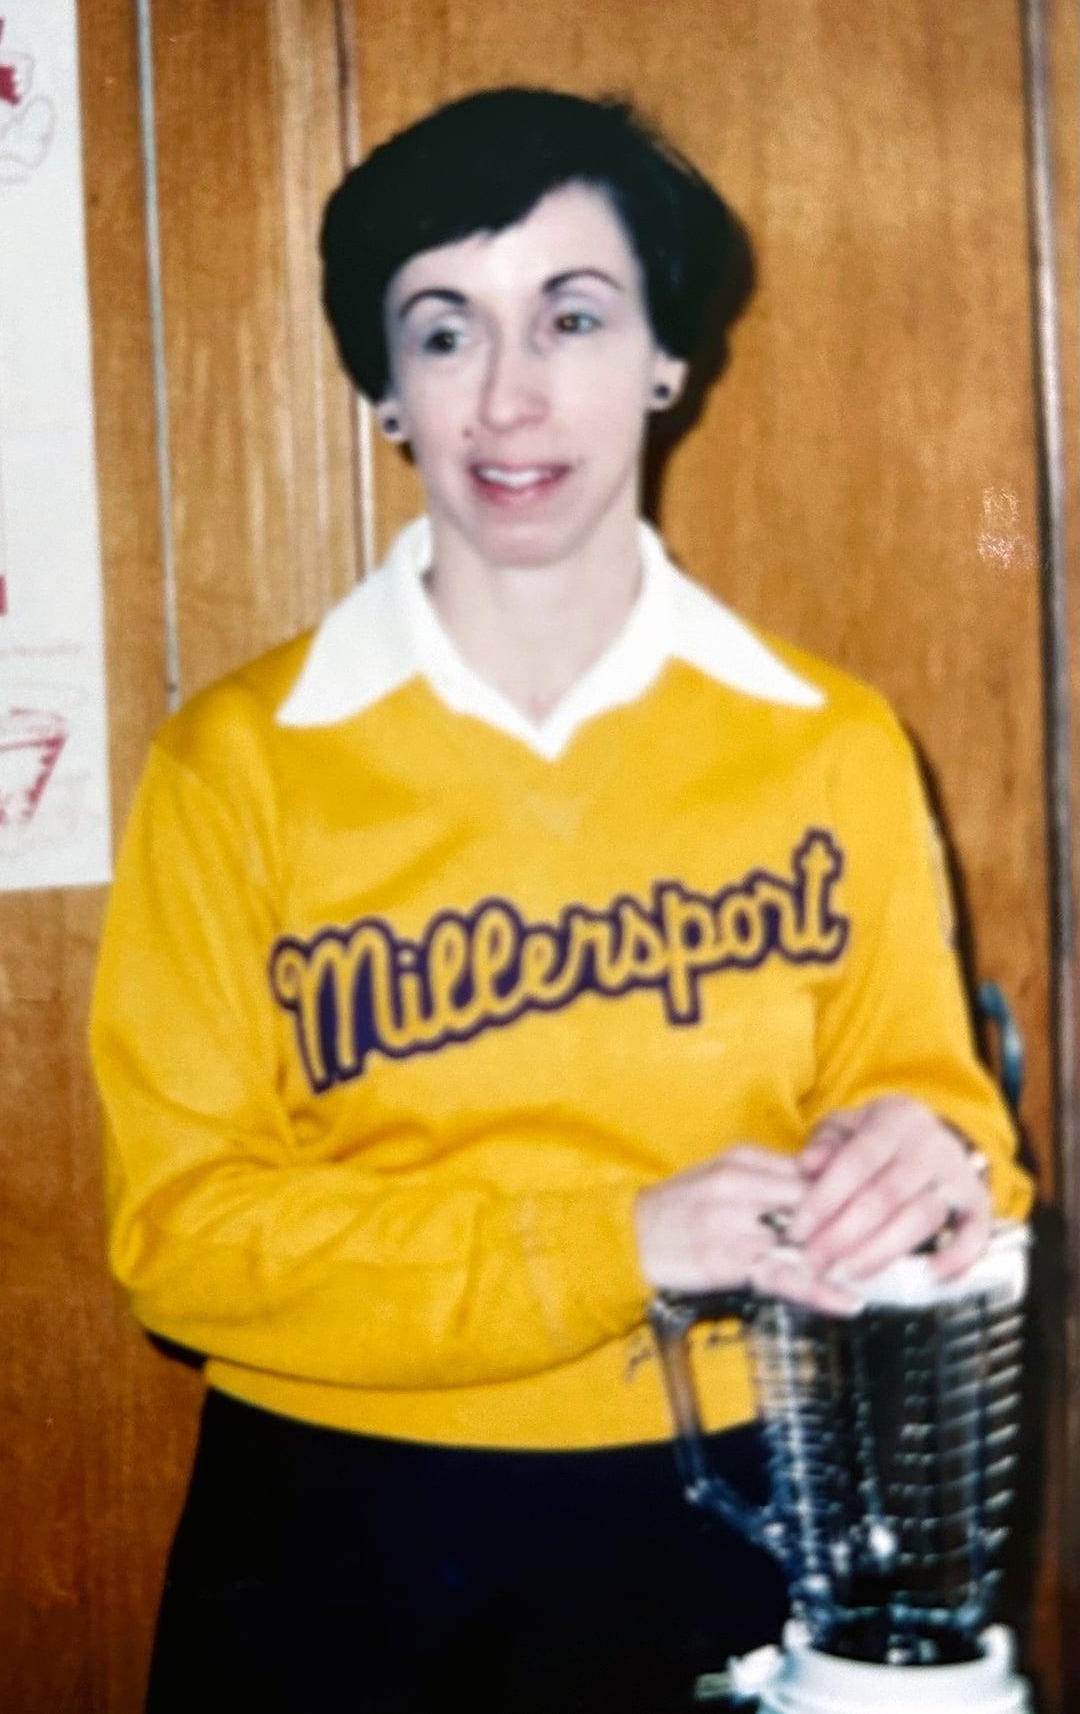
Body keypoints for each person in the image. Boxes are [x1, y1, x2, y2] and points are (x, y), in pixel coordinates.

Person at [89, 88, 1031, 1713]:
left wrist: (932, 1163)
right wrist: (617, 1246)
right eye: (445, 333)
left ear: (666, 358)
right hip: (339, 1528)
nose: (513, 398)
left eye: (573, 319)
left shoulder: (826, 746)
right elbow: (182, 1235)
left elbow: (941, 1113)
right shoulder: (237, 763)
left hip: (740, 1503)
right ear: (384, 388)